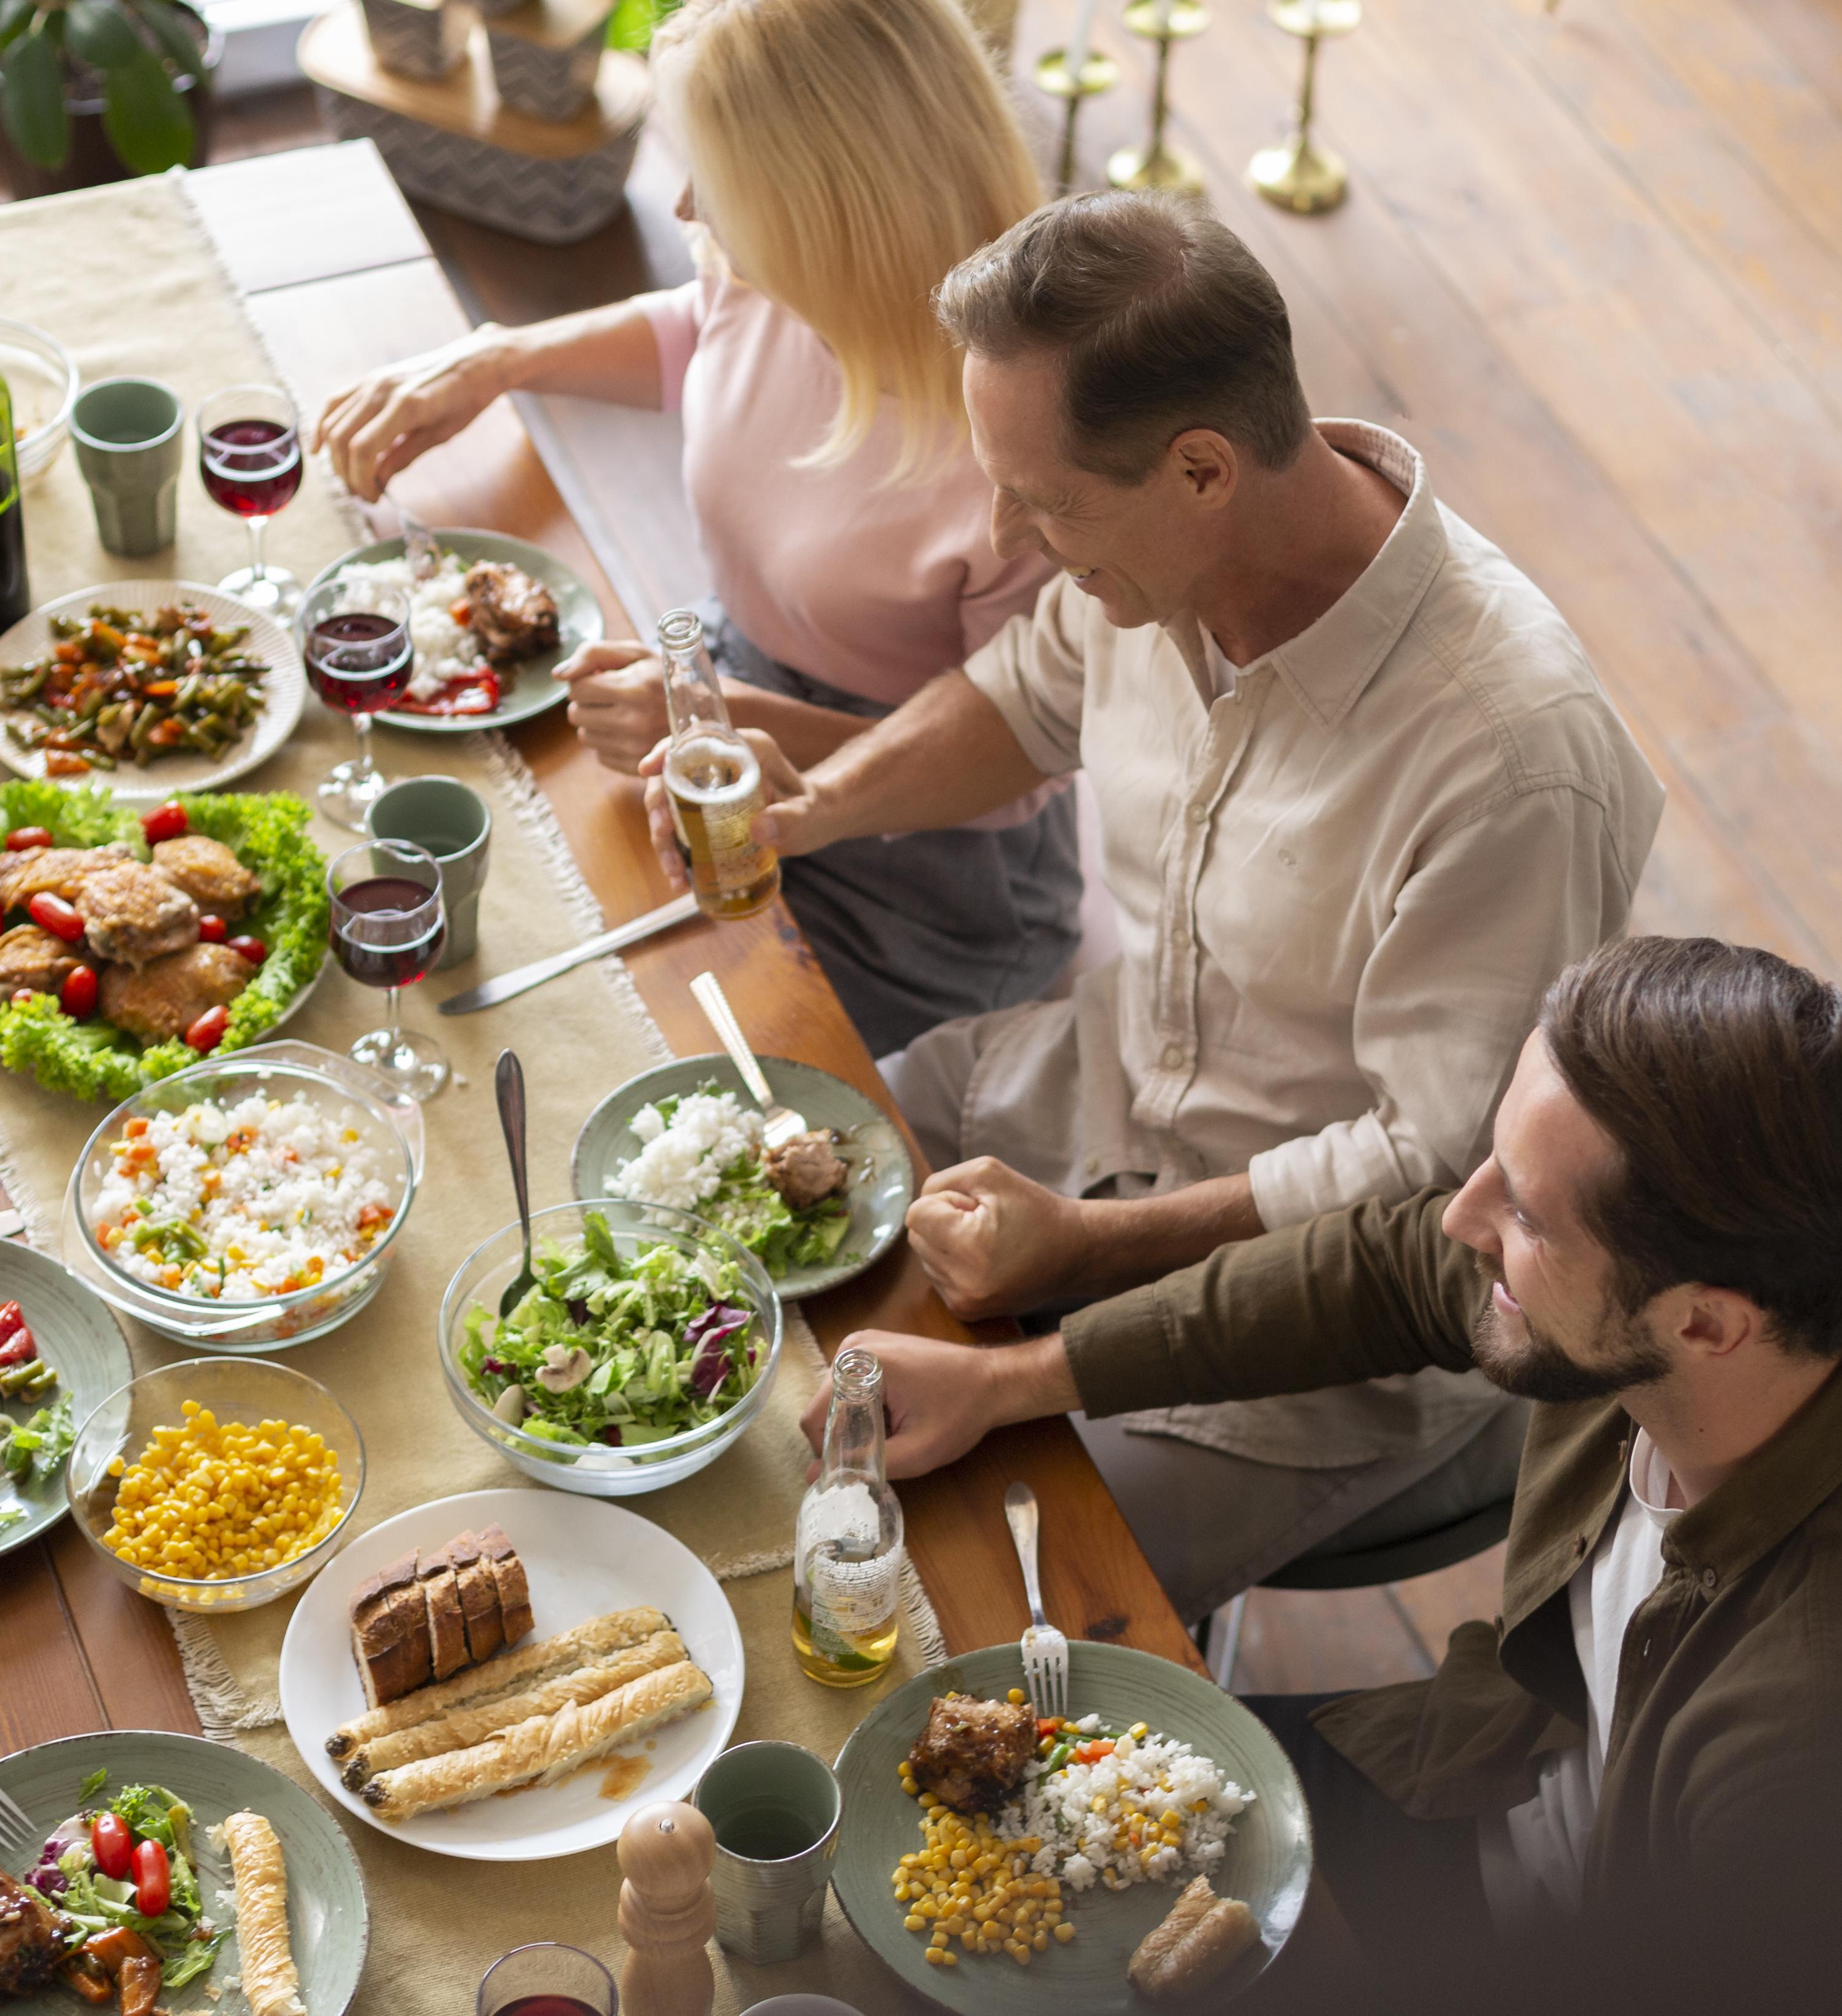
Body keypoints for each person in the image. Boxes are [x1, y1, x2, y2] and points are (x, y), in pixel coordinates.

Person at [681, 187, 1667, 1613]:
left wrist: (1088, 1249)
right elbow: (1024, 700)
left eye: (1043, 502)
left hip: (1329, 1324)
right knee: (728, 1226)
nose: (1008, 538)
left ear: (1203, 469)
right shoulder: (1146, 561)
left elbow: (1428, 1169)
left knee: (938, 1595)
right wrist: (812, 806)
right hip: (1081, 1099)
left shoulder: (1511, 760)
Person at [811, 936, 1842, 1949]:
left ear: (1704, 1324)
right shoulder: (1789, 1231)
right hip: (1496, 1759)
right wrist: (1017, 1380)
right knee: (939, 1836)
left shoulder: (1834, 1748)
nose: (1460, 1219)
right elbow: (1389, 1268)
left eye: (1527, 1216)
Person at [314, 0, 1079, 1054]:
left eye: (711, 182)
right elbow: (699, 332)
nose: (681, 204)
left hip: (921, 869)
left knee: (650, 1042)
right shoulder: (775, 272)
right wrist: (499, 359)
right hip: (719, 722)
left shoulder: (1025, 450)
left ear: (825, 199)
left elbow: (1010, 768)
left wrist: (718, 719)